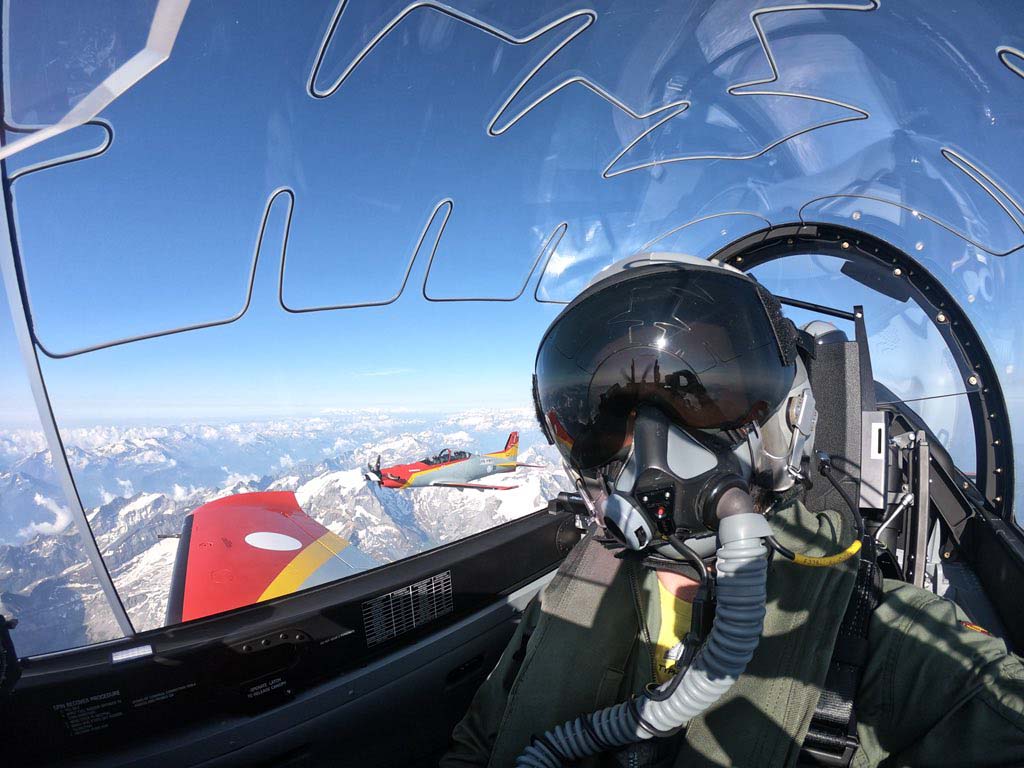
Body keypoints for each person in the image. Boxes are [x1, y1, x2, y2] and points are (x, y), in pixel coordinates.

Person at [440, 255, 1024, 767]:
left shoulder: (877, 632)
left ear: (789, 418)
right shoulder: (570, 591)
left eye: (701, 394)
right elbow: (477, 744)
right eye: (608, 412)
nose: (653, 450)